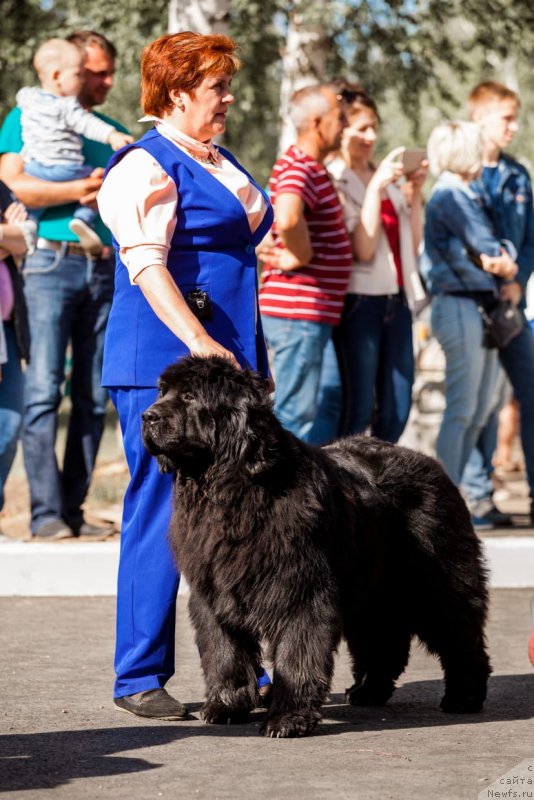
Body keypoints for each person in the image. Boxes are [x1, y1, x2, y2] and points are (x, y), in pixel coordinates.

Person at [97, 31, 273, 719]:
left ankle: (241, 674)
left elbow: (237, 260)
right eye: (216, 86)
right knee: (160, 514)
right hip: (164, 370)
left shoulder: (219, 159)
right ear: (176, 92)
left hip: (225, 367)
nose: (229, 96)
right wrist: (200, 341)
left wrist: (251, 363)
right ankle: (138, 676)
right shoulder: (141, 167)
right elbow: (147, 267)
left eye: (229, 84)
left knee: (238, 520)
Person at [0, 30, 129, 540]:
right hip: (48, 265)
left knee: (93, 396)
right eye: (95, 70)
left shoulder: (109, 128)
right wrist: (81, 189)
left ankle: (73, 509)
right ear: (68, 70)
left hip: (102, 266)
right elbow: (16, 184)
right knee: (42, 393)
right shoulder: (24, 118)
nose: (105, 80)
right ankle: (46, 515)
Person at [322, 85, 427, 443]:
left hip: (397, 300)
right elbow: (363, 249)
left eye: (374, 127)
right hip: (360, 302)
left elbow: (412, 243)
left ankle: (382, 485)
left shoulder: (385, 178)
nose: (371, 136)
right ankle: (349, 490)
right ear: (341, 130)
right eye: (362, 128)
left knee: (399, 403)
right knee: (360, 406)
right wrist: (376, 188)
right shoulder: (334, 178)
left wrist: (414, 196)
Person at [421, 120, 517, 492]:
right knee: (463, 409)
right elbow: (493, 252)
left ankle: (454, 494)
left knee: (478, 409)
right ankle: (445, 497)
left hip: (476, 308)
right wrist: (503, 260)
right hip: (459, 304)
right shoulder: (451, 196)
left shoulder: (464, 194)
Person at [258, 84, 353, 441]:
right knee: (295, 413)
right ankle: (284, 496)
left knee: (324, 404)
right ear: (316, 122)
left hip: (312, 314)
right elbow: (287, 217)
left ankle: (319, 489)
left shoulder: (308, 166)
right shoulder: (299, 166)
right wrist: (300, 255)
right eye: (339, 117)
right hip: (298, 312)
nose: (343, 125)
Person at [461, 81, 534, 528]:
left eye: (515, 118)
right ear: (480, 118)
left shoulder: (518, 175)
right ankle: (476, 496)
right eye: (506, 118)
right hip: (472, 304)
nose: (514, 126)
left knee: (529, 389)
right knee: (479, 401)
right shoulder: (461, 175)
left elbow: (529, 239)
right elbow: (451, 240)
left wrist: (518, 280)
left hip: (511, 307)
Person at [17, 38, 132, 254]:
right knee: (92, 178)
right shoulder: (24, 116)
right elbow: (12, 186)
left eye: (111, 73)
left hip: (107, 261)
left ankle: (28, 225)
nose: (109, 82)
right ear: (58, 75)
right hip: (50, 258)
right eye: (97, 73)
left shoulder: (28, 102)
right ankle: (83, 219)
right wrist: (89, 186)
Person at [0, 182, 31, 539]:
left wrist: (14, 238)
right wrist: (9, 238)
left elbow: (28, 236)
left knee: (8, 427)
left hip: (8, 329)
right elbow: (17, 239)